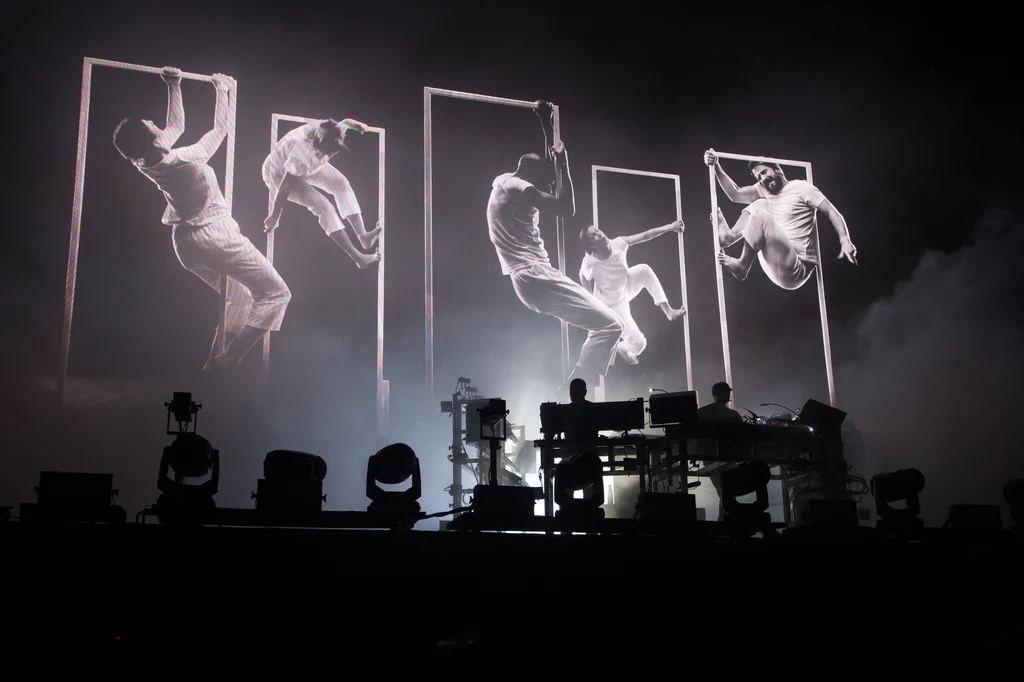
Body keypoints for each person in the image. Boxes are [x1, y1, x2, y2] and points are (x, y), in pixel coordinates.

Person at [112, 67, 291, 372]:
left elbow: (176, 125)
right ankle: (230, 360)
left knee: (239, 297)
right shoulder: (180, 159)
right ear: (150, 137)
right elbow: (220, 131)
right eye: (149, 124)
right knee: (276, 293)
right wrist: (222, 91)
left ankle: (211, 366)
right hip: (213, 236)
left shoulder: (143, 159)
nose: (155, 123)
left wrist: (174, 85)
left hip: (185, 243)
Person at [487, 101, 623, 395]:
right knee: (612, 326)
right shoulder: (518, 188)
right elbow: (567, 207)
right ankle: (570, 395)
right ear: (531, 180)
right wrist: (564, 164)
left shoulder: (504, 181)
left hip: (529, 279)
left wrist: (546, 124)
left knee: (607, 327)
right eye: (545, 183)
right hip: (536, 275)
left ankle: (578, 392)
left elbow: (544, 167)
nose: (550, 186)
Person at [704, 149, 858, 290]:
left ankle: (742, 266)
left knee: (761, 215)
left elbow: (832, 212)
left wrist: (844, 239)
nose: (763, 178)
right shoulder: (764, 189)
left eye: (765, 172)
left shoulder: (802, 188)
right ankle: (728, 237)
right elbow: (735, 194)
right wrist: (716, 166)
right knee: (760, 204)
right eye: (759, 176)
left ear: (777, 168)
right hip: (776, 259)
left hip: (798, 268)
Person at [263, 117, 381, 269]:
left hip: (304, 164)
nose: (330, 157)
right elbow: (285, 184)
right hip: (278, 174)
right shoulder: (302, 152)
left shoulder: (331, 129)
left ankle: (363, 237)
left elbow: (345, 122)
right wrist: (275, 215)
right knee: (324, 207)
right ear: (319, 148)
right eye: (328, 154)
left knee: (340, 183)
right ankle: (359, 258)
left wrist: (358, 124)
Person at [579, 221, 687, 366]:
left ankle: (669, 312)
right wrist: (591, 301)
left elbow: (646, 235)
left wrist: (670, 227)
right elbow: (582, 276)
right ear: (591, 245)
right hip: (610, 307)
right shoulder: (590, 261)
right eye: (594, 235)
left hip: (625, 291)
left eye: (598, 230)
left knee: (644, 270)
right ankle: (614, 349)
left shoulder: (618, 243)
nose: (600, 234)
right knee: (639, 343)